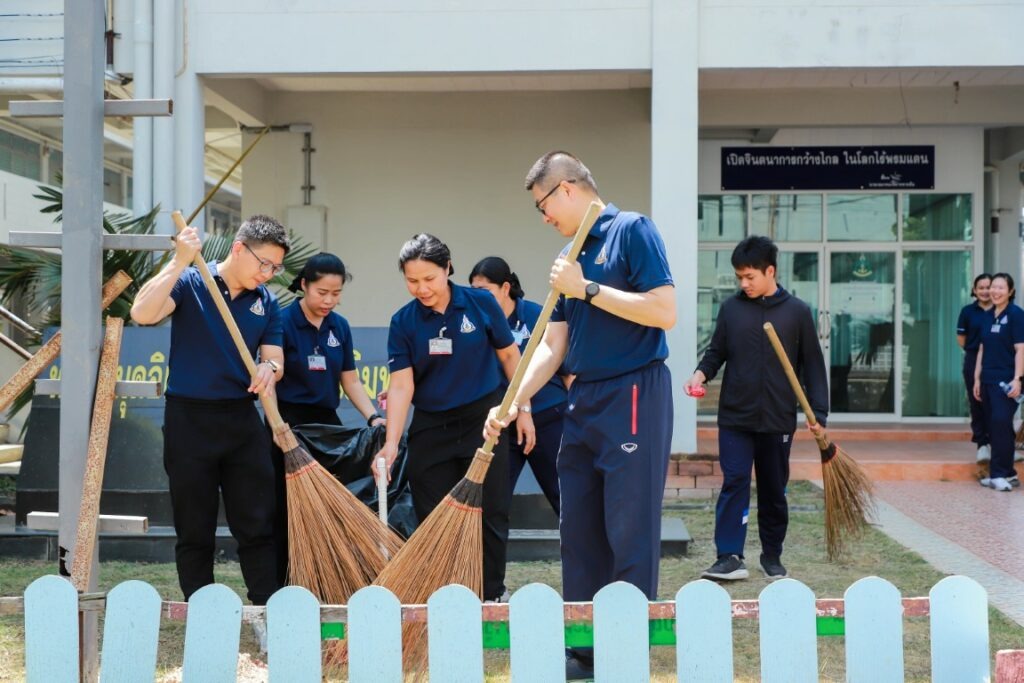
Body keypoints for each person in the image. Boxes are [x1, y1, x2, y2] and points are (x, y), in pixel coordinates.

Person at [483, 151, 675, 680]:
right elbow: (553, 346)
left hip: (634, 389)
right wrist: (514, 399)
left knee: (629, 524)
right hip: (582, 396)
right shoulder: (569, 254)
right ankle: (585, 649)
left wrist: (587, 288)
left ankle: (625, 648)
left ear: (566, 188)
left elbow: (665, 311)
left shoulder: (632, 230)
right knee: (579, 526)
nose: (543, 216)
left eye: (542, 204)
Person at [130, 215, 289, 605]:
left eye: (275, 268)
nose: (268, 274)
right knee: (194, 526)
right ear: (239, 248)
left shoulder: (266, 301)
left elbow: (275, 358)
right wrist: (179, 260)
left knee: (256, 523)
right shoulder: (191, 280)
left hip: (241, 420)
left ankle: (265, 610)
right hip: (188, 419)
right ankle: (201, 611)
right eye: (264, 263)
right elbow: (143, 313)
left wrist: (269, 369)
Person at [374, 234, 521, 602]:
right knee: (434, 518)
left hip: (483, 423)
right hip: (431, 427)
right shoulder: (403, 321)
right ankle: (444, 595)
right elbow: (401, 385)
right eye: (412, 281)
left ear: (448, 268)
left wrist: (521, 406)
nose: (421, 289)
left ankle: (491, 594)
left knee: (491, 511)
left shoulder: (481, 303)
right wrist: (391, 444)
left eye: (429, 278)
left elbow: (509, 356)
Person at [684, 236, 827, 582]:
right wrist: (700, 373)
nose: (744, 284)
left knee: (773, 489)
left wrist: (819, 413)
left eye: (750, 276)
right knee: (734, 481)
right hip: (736, 416)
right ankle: (729, 556)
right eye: (740, 277)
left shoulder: (797, 312)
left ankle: (772, 555)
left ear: (770, 271)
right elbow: (716, 352)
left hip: (777, 418)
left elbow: (812, 365)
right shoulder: (731, 309)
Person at [271, 252, 387, 584]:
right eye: (322, 292)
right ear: (304, 285)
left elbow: (350, 380)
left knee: (332, 505)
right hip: (288, 425)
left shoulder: (340, 326)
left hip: (326, 426)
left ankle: (330, 579)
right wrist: (277, 425)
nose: (329, 301)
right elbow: (270, 380)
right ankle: (287, 582)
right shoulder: (281, 322)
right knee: (288, 508)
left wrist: (373, 417)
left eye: (336, 294)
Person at [470, 256, 565, 517]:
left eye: (484, 291)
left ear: (505, 287)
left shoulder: (537, 315)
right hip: (502, 423)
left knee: (565, 496)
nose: (478, 298)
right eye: (473, 291)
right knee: (492, 502)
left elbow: (566, 370)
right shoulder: (475, 321)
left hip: (549, 417)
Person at [972, 272, 1023, 491]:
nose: (995, 291)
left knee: (1001, 422)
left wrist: (1018, 379)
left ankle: (998, 474)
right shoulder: (987, 316)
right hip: (987, 379)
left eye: (1001, 287)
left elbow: (1021, 349)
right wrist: (977, 378)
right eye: (993, 286)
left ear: (1010, 291)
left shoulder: (1016, 315)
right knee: (995, 426)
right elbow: (982, 349)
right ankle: (1008, 473)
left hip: (1007, 380)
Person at [957, 273, 993, 464]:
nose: (985, 291)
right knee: (976, 402)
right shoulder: (967, 312)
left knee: (997, 404)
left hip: (998, 361)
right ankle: (982, 444)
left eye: (988, 287)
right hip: (973, 360)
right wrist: (976, 353)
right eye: (981, 288)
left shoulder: (1002, 310)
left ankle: (1002, 445)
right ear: (974, 290)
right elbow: (961, 339)